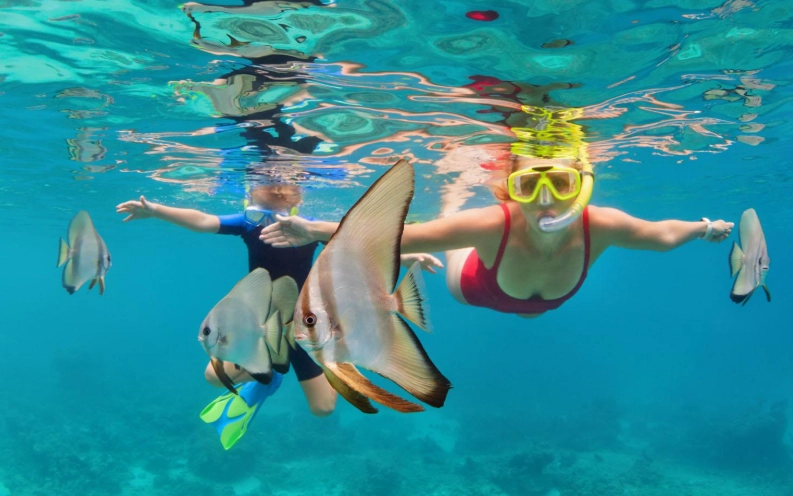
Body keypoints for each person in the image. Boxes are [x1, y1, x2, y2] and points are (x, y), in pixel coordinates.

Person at [258, 156, 734, 318]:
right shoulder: (494, 224)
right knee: (441, 235)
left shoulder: (602, 223)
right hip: (475, 288)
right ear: (512, 191)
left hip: (538, 303)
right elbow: (398, 236)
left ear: (582, 185)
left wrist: (703, 228)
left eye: (561, 184)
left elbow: (661, 235)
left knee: (526, 309)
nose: (546, 200)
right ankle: (450, 206)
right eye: (529, 185)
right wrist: (315, 229)